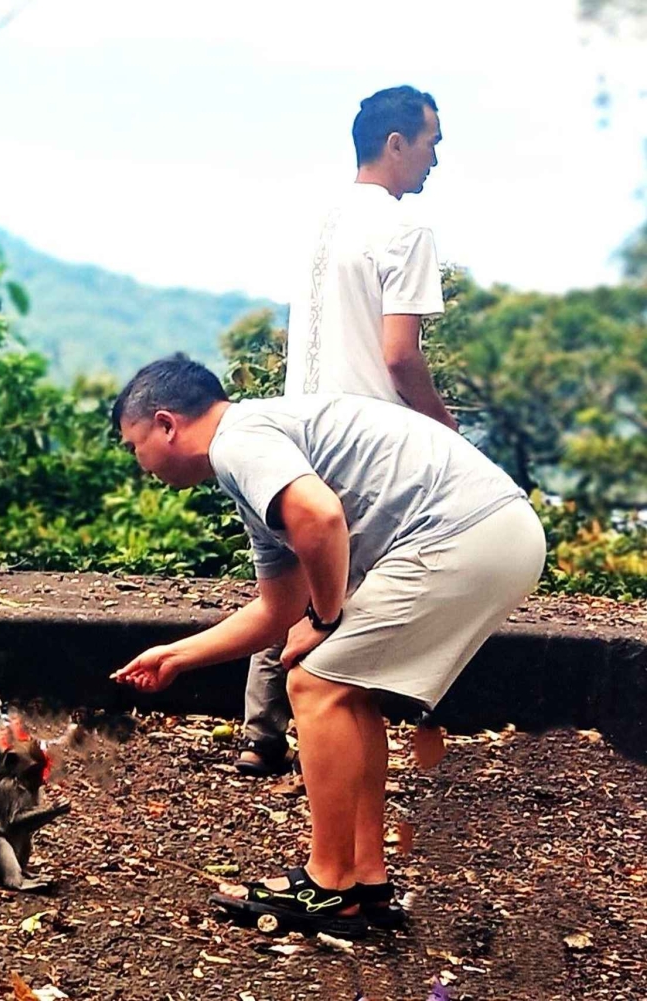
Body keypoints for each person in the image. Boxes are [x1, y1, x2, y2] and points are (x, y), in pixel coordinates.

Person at [110, 356, 543, 934]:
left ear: (166, 424)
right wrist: (177, 655)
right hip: (496, 532)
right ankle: (364, 879)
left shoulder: (239, 439)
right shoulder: (259, 457)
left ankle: (328, 884)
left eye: (134, 445)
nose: (139, 463)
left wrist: (325, 615)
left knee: (315, 684)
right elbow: (277, 609)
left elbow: (320, 516)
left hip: (460, 533)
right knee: (346, 691)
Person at [239, 84, 455, 778]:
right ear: (396, 143)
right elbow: (399, 356)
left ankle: (260, 733)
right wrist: (443, 426)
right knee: (355, 590)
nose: (435, 159)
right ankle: (336, 730)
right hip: (364, 433)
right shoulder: (405, 229)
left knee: (294, 573)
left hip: (295, 423)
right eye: (431, 142)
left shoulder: (319, 219)